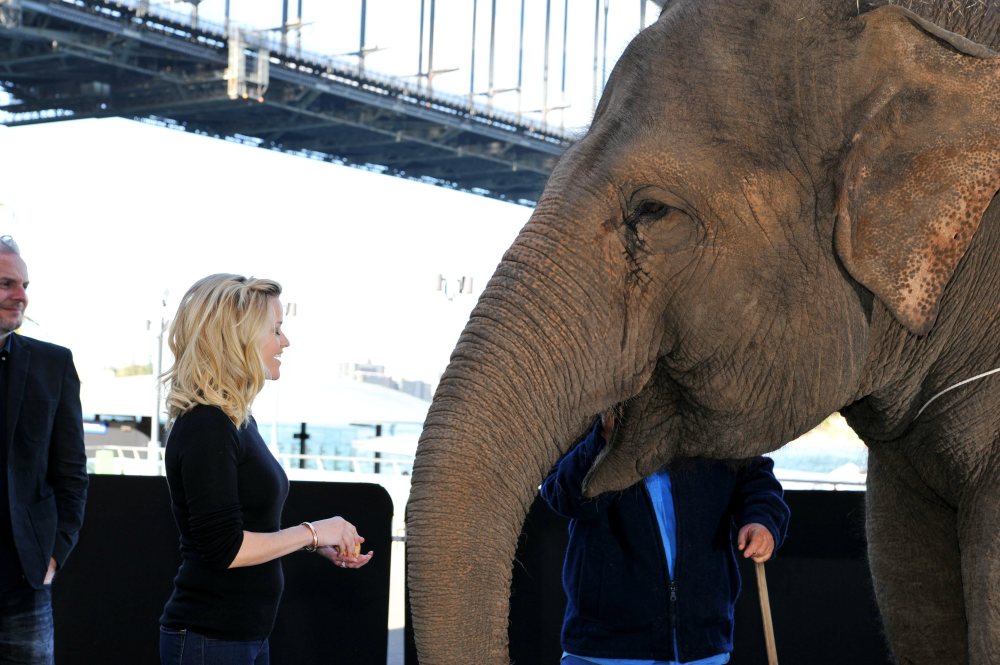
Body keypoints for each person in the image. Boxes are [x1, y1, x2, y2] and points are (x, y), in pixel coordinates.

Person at [158, 274, 373, 665]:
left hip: (242, 635)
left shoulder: (236, 420)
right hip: (211, 638)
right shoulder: (207, 426)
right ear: (237, 339)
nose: (284, 342)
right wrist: (312, 532)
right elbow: (225, 549)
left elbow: (247, 525)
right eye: (275, 330)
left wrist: (314, 543)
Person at [540, 414, 790, 665]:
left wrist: (762, 522)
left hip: (701, 648)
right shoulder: (585, 415)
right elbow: (564, 497)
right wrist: (604, 437)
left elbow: (756, 479)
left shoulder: (713, 411)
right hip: (602, 650)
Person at [0, 235, 89, 665]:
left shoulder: (53, 364)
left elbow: (72, 473)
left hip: (24, 589)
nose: (21, 296)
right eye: (6, 284)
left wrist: (54, 555)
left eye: (25, 285)